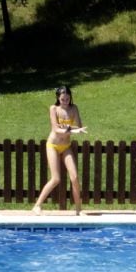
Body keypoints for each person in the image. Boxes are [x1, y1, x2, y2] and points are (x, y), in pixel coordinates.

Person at [32, 86, 87, 214]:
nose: (65, 101)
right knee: (56, 178)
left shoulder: (74, 108)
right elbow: (56, 129)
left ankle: (78, 209)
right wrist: (70, 129)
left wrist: (73, 129)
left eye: (67, 98)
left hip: (66, 146)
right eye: (62, 99)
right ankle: (37, 205)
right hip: (53, 145)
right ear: (58, 98)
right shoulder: (54, 109)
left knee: (74, 177)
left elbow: (78, 126)